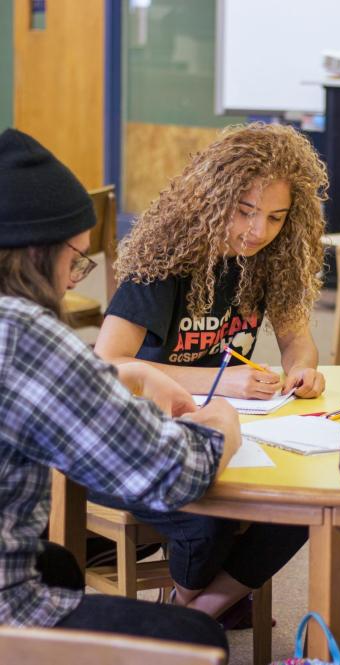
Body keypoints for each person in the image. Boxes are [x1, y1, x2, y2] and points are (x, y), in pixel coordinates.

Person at [0, 127, 240, 652]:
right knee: (197, 640)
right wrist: (222, 422)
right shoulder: (20, 330)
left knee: (59, 565)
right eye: (76, 260)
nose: (72, 281)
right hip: (5, 608)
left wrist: (120, 375)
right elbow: (174, 473)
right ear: (36, 254)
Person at [93, 122, 328, 622]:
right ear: (211, 197)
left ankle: (195, 609)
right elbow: (110, 363)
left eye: (275, 218)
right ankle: (206, 604)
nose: (256, 231)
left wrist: (302, 369)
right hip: (144, 431)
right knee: (207, 520)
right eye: (244, 212)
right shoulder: (163, 260)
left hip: (229, 426)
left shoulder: (271, 261)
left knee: (305, 502)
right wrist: (224, 382)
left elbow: (296, 337)